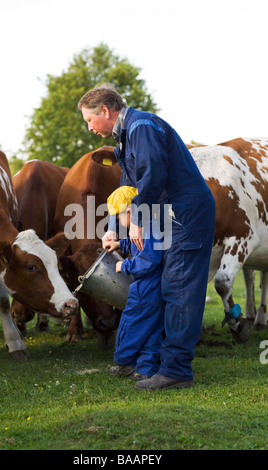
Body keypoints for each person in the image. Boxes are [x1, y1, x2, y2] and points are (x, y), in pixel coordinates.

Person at [78, 84, 216, 390]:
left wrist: (138, 219)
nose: (89, 127)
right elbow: (125, 191)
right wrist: (114, 226)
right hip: (168, 217)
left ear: (105, 111)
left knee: (178, 290)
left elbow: (153, 174)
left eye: (90, 119)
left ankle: (176, 371)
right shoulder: (128, 139)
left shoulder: (142, 127)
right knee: (168, 288)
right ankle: (158, 364)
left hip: (185, 215)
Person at [104, 185, 165, 381]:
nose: (119, 221)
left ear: (130, 212)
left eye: (119, 216)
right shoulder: (149, 225)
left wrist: (125, 265)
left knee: (131, 323)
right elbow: (137, 245)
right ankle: (145, 369)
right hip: (156, 287)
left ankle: (124, 363)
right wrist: (120, 244)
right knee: (152, 329)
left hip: (145, 286)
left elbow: (149, 260)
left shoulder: (147, 229)